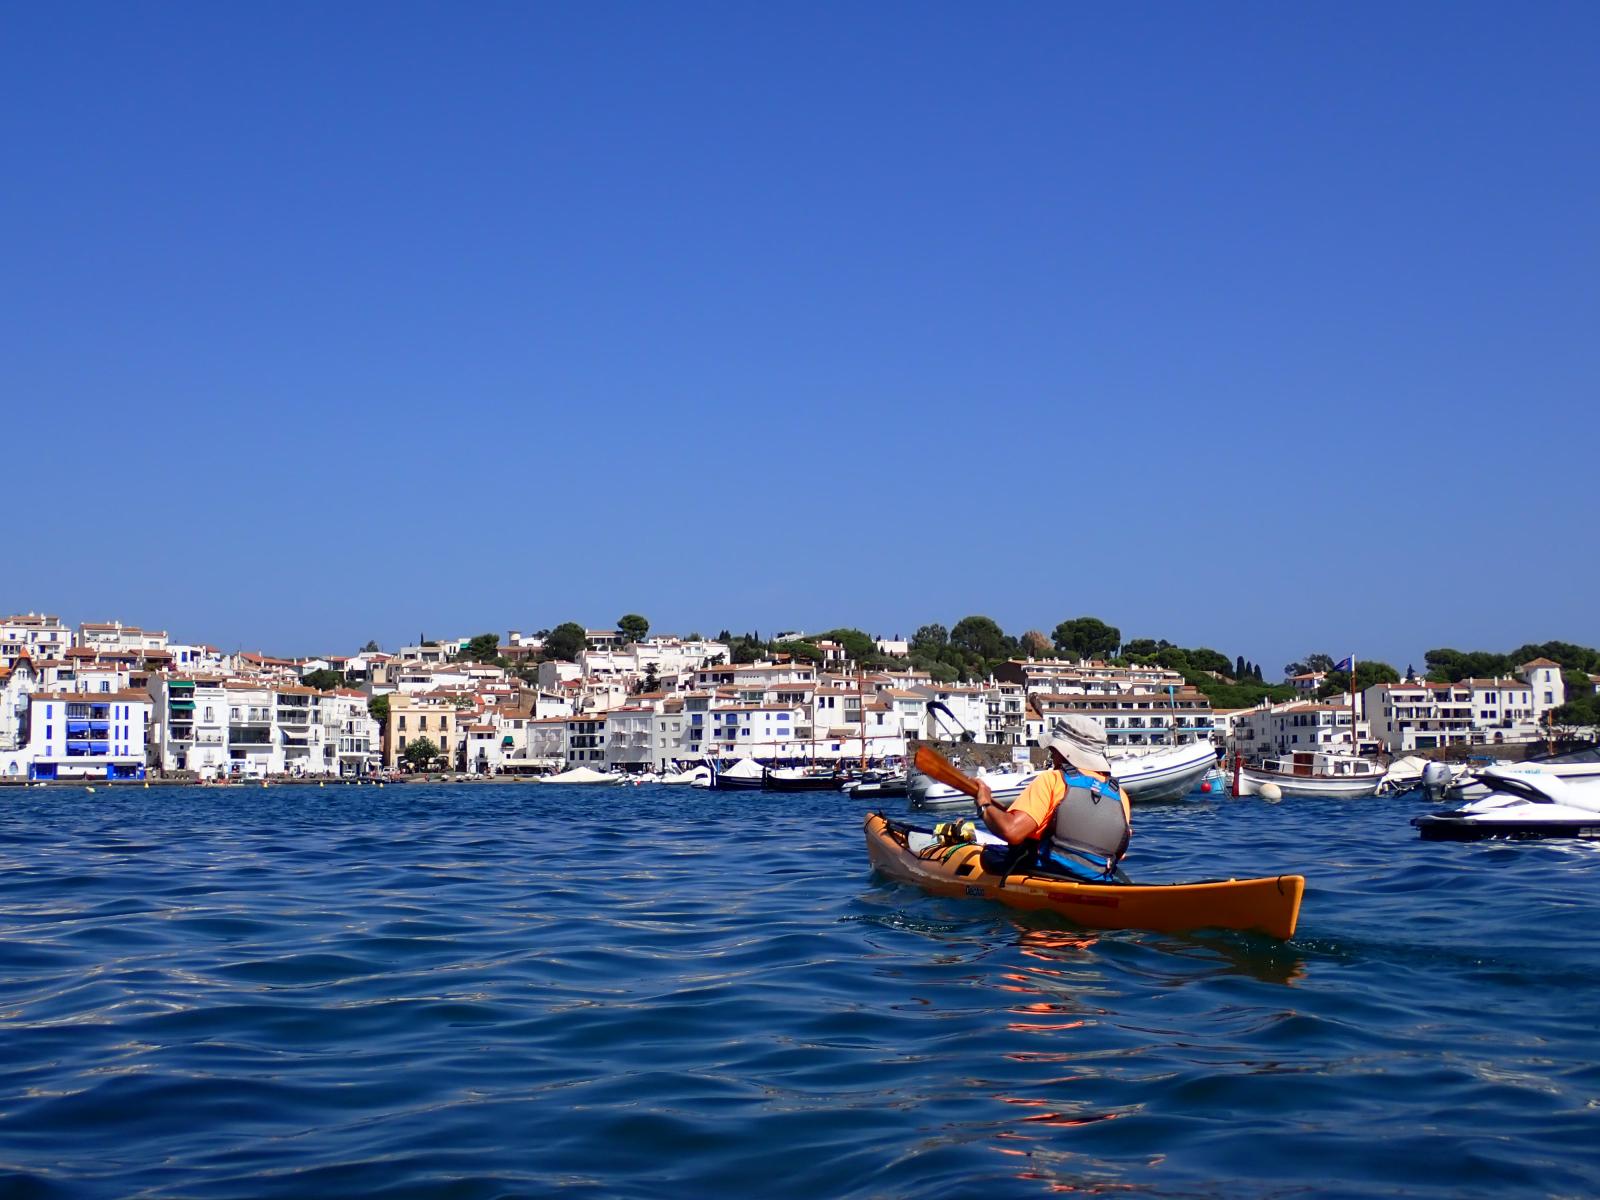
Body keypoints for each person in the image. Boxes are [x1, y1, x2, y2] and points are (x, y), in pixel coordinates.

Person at [974, 716, 1132, 881]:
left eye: (1053, 750)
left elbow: (1011, 831)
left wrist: (984, 804)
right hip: (1096, 879)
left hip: (1045, 872)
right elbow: (1118, 854)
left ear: (1064, 752)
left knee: (986, 854)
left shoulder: (1053, 781)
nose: (1052, 756)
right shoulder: (1120, 796)